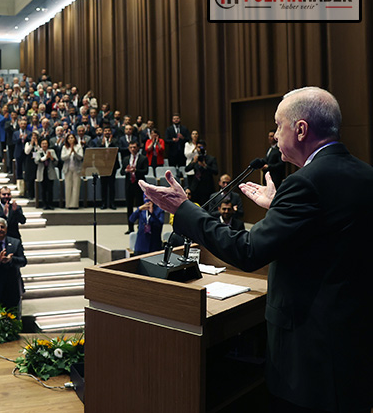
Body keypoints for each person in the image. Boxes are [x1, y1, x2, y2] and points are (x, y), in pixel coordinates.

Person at [139, 87, 373, 412]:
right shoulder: (365, 174)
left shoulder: (305, 183)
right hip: (353, 349)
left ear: (301, 129)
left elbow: (247, 252)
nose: (275, 137)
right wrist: (279, 207)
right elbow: (328, 237)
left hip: (310, 361)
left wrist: (185, 209)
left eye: (278, 126)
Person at [122, 142, 148, 234]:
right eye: (131, 147)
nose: (132, 149)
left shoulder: (143, 158)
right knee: (129, 207)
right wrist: (126, 170)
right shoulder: (125, 159)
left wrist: (136, 170)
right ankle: (130, 227)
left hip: (139, 185)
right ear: (128, 149)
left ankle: (140, 226)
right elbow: (122, 171)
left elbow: (146, 171)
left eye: (134, 147)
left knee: (140, 206)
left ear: (138, 148)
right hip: (129, 185)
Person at [93, 125, 120, 209]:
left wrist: (111, 142)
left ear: (111, 132)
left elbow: (117, 149)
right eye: (106, 131)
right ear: (103, 132)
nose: (107, 132)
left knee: (112, 185)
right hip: (102, 166)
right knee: (103, 185)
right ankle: (104, 203)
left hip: (112, 165)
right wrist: (103, 144)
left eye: (109, 131)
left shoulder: (115, 140)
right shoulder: (99, 141)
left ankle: (112, 203)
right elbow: (97, 151)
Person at [184, 140, 218, 206]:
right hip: (196, 187)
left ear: (205, 147)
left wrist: (205, 166)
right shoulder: (196, 158)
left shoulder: (211, 159)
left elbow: (215, 171)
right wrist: (193, 162)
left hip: (207, 187)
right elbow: (187, 169)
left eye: (201, 147)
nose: (199, 149)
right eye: (198, 147)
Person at [60, 133, 83, 209]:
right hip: (67, 169)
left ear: (75, 139)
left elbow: (80, 157)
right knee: (68, 186)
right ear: (67, 140)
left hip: (77, 169)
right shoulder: (64, 147)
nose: (71, 139)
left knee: (76, 186)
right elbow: (63, 158)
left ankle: (74, 204)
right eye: (69, 138)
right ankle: (68, 204)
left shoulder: (79, 146)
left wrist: (75, 152)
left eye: (72, 138)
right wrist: (70, 153)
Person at [34, 138, 58, 210]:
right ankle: (44, 204)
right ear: (41, 145)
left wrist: (51, 157)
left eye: (45, 143)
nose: (44, 145)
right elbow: (36, 161)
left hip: (50, 172)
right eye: (43, 143)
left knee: (50, 190)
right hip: (42, 172)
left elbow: (56, 162)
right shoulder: (38, 151)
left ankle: (50, 204)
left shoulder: (52, 151)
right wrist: (45, 158)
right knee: (43, 190)